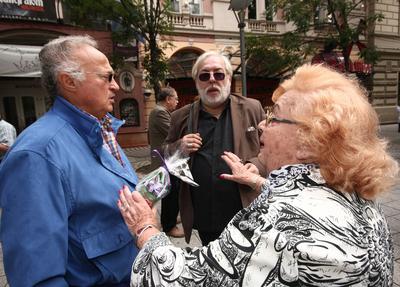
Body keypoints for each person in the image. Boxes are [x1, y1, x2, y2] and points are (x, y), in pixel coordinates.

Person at [118, 64, 399, 286]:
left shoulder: (277, 220)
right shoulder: (357, 194)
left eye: (274, 118)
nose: (262, 126)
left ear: (308, 142)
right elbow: (312, 205)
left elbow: (191, 279)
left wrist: (145, 228)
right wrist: (260, 183)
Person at [0, 35, 140, 286]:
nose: (116, 86)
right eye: (106, 77)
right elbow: (36, 276)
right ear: (69, 81)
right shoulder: (37, 154)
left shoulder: (100, 131)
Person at [163, 51, 266, 245]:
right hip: (205, 216)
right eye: (204, 75)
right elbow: (164, 156)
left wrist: (256, 165)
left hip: (246, 210)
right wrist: (179, 147)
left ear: (228, 78)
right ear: (196, 81)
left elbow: (270, 149)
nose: (212, 80)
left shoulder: (252, 108)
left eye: (218, 74)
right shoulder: (180, 117)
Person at [148, 86, 184, 238]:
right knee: (171, 192)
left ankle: (170, 218)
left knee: (172, 190)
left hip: (166, 158)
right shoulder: (159, 112)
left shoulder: (161, 112)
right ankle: (169, 226)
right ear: (168, 99)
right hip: (165, 160)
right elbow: (173, 133)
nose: (177, 101)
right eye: (175, 98)